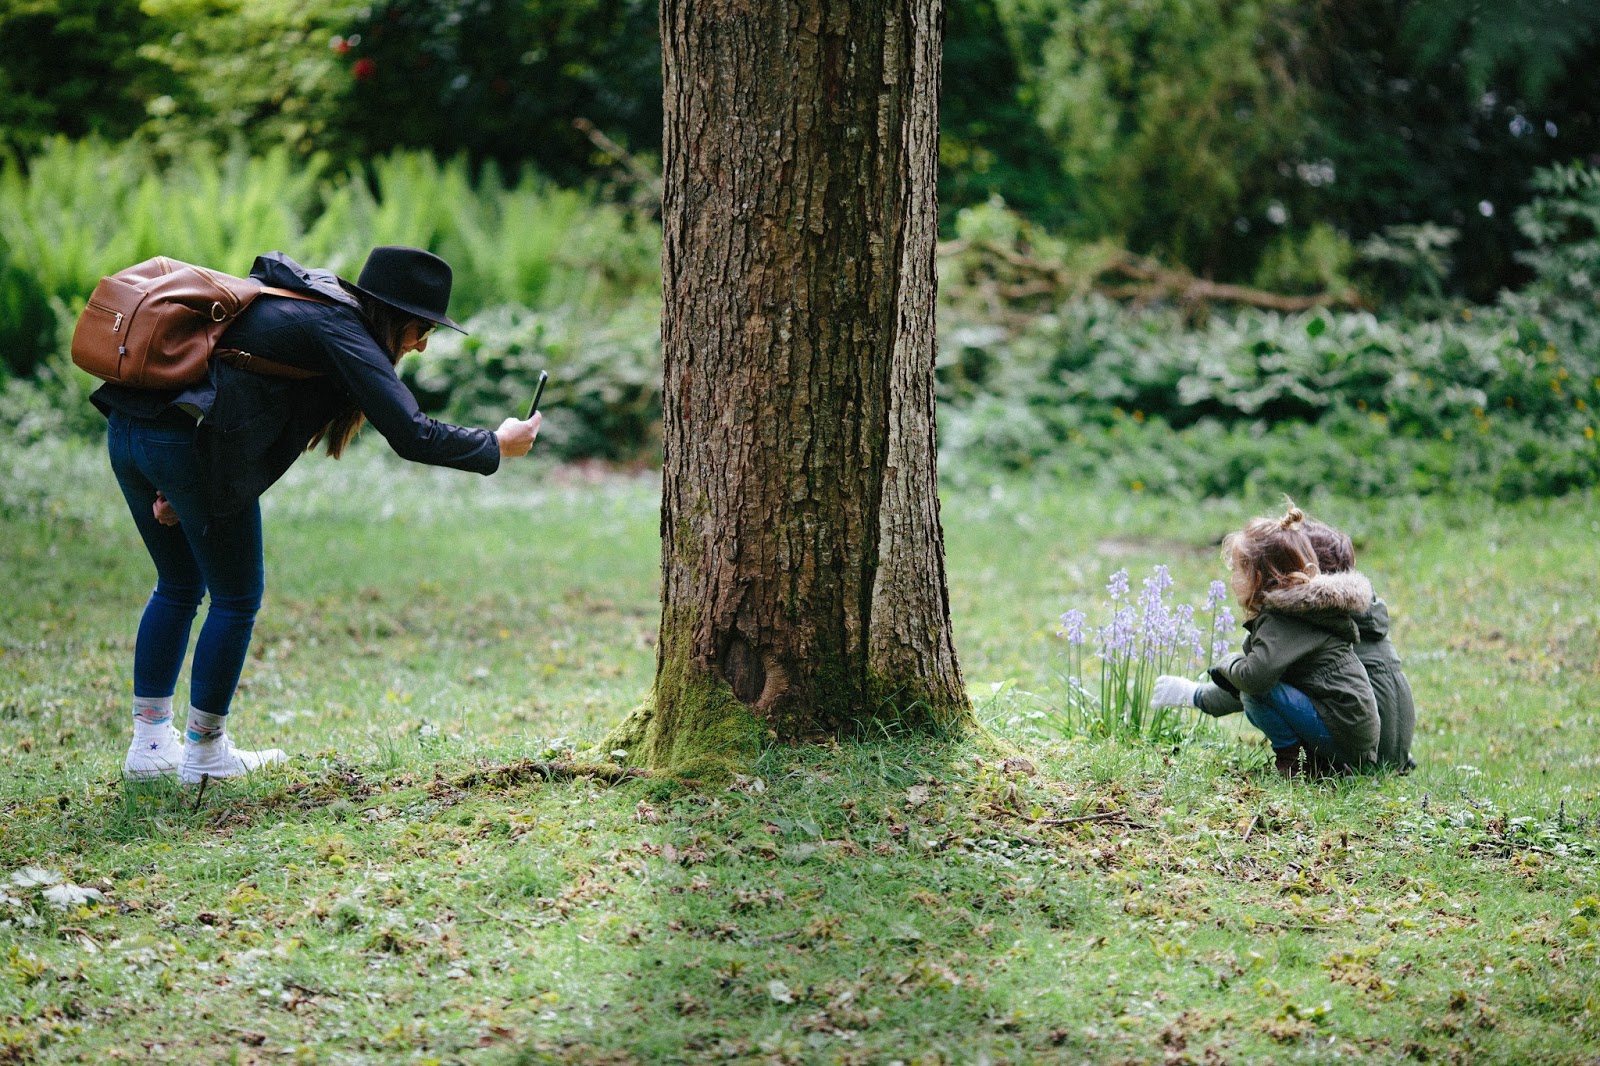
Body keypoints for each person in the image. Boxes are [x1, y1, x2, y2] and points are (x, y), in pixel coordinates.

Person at [94, 246, 540, 784]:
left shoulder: (305, 303)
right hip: (179, 442)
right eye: (422, 329)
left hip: (132, 427)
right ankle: (204, 752)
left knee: (179, 583)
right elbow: (412, 433)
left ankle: (148, 746)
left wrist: (188, 483)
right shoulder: (340, 329)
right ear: (393, 315)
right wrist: (497, 444)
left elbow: (243, 403)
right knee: (236, 598)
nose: (421, 344)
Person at [1152, 516, 1417, 773]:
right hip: (1390, 753)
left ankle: (1302, 765)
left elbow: (1257, 679)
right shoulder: (1356, 615)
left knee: (1260, 691)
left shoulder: (1303, 616)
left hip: (1365, 756)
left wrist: (1196, 694)